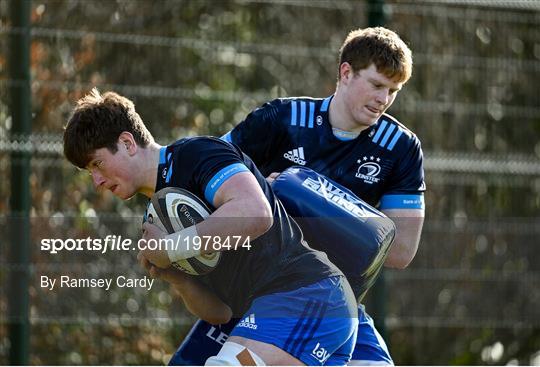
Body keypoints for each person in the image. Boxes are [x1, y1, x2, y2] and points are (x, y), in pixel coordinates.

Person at [170, 27, 425, 366]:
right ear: (346, 72)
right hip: (258, 287)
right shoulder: (283, 119)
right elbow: (202, 172)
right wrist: (259, 192)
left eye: (394, 91)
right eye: (377, 85)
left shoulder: (400, 147)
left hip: (334, 301)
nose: (384, 99)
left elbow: (401, 249)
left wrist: (304, 191)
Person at [63, 89, 359, 366]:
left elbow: (256, 212)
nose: (97, 182)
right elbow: (221, 313)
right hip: (279, 310)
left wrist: (170, 248)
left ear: (127, 143)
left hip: (307, 296)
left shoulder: (196, 154)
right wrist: (177, 278)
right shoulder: (160, 217)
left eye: (97, 165)